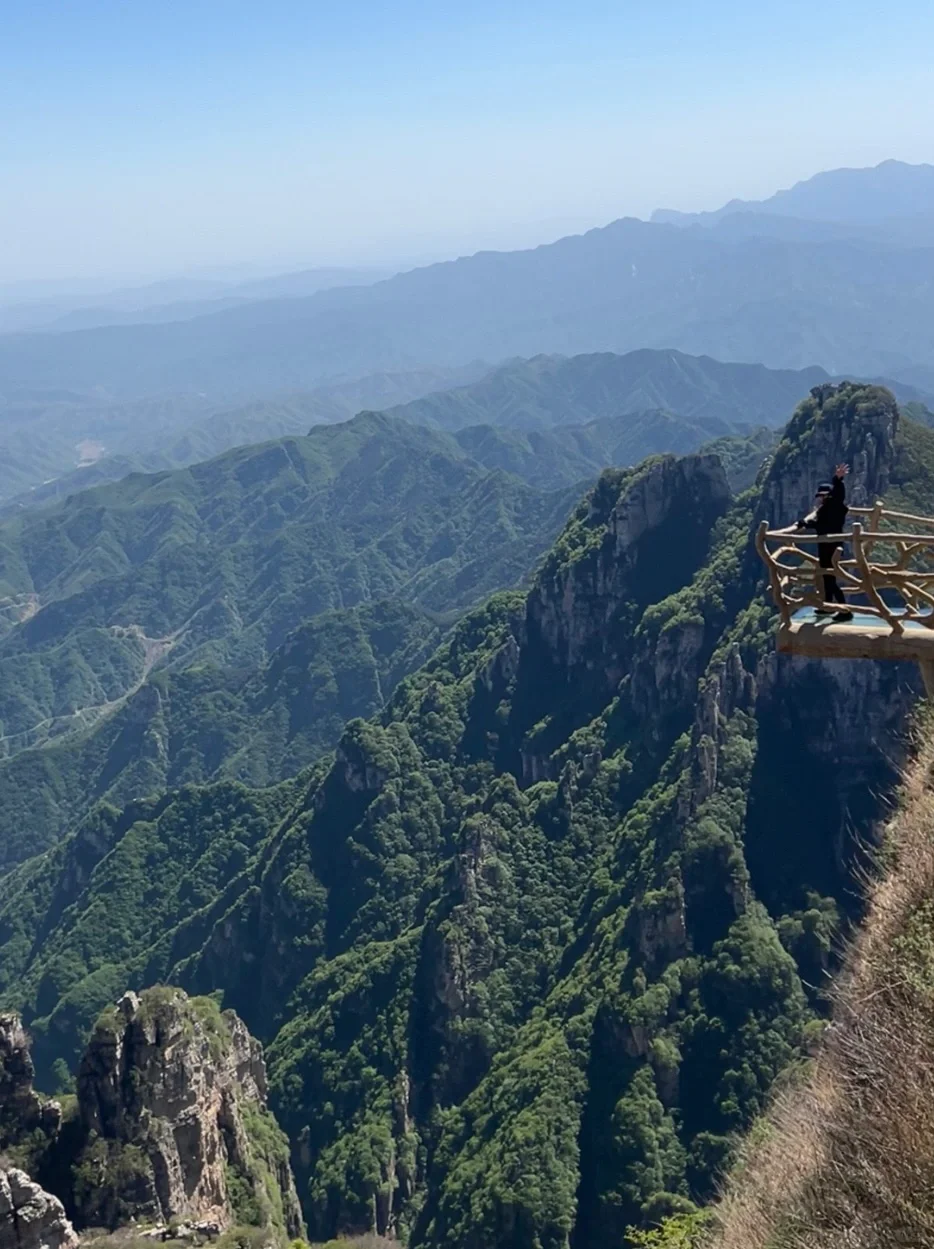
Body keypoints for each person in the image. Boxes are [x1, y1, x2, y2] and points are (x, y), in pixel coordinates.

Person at [795, 463, 852, 621]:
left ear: (826, 496)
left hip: (831, 546)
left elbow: (838, 495)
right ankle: (828, 606)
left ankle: (844, 610)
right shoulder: (827, 508)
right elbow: (819, 524)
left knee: (830, 578)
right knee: (827, 577)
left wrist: (838, 479)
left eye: (821, 496)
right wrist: (806, 523)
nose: (819, 498)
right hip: (827, 545)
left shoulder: (833, 506)